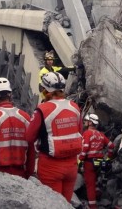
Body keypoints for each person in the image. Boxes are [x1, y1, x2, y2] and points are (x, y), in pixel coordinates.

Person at [26, 72, 83, 203]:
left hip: (50, 166)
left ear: (47, 91)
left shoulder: (42, 109)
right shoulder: (74, 107)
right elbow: (79, 131)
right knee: (66, 203)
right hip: (72, 166)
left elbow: (29, 137)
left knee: (52, 204)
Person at [79, 114, 115, 209]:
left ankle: (93, 206)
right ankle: (98, 196)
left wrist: (79, 160)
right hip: (99, 162)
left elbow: (85, 148)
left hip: (89, 162)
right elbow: (111, 146)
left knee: (90, 184)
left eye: (86, 121)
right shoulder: (101, 135)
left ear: (90, 123)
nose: (85, 122)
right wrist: (108, 158)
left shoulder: (87, 133)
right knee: (95, 181)